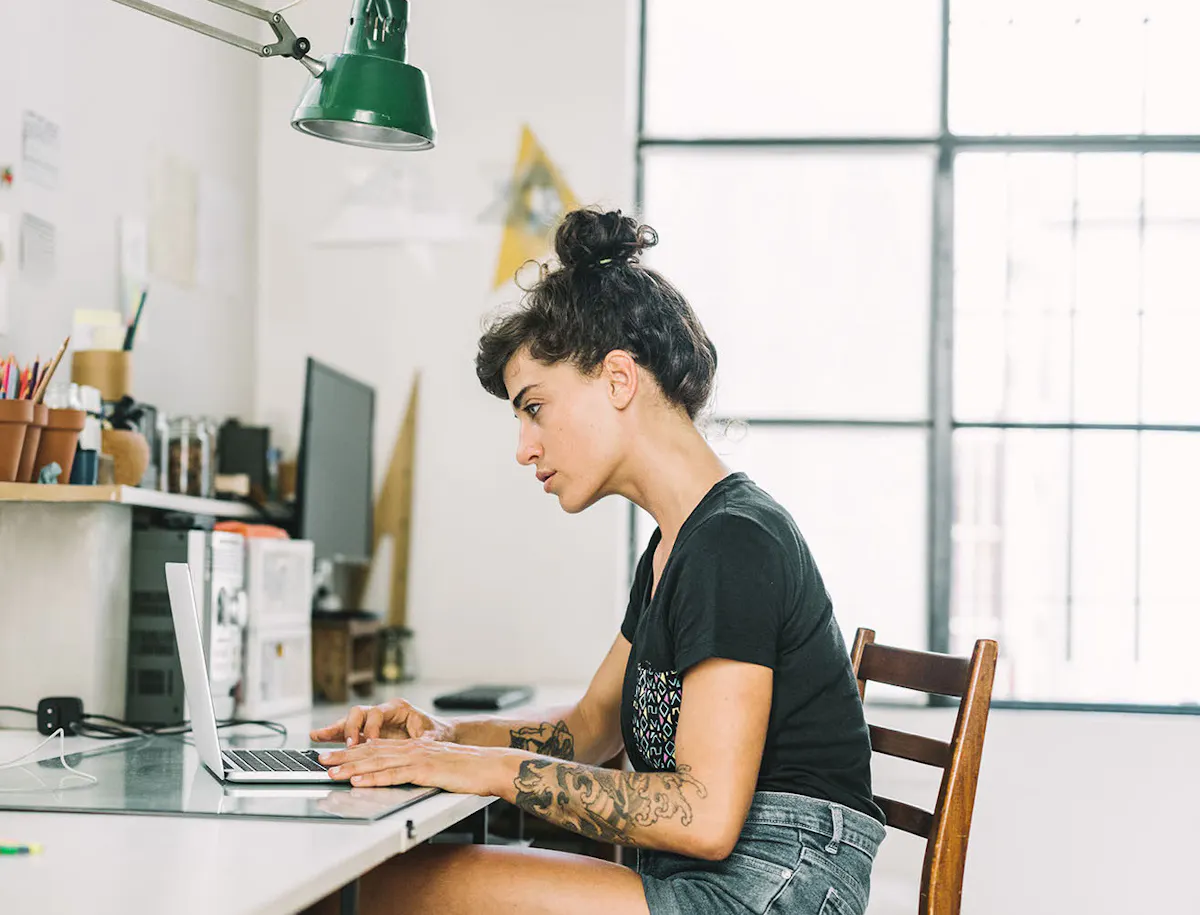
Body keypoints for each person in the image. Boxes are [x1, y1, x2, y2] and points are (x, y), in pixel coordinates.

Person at [308, 208, 886, 915]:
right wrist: (442, 736)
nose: (524, 446)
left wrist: (478, 767)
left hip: (771, 887)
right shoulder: (677, 544)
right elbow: (591, 728)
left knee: (369, 891)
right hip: (725, 874)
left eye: (535, 407)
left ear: (617, 379)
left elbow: (702, 815)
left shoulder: (735, 542)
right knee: (379, 887)